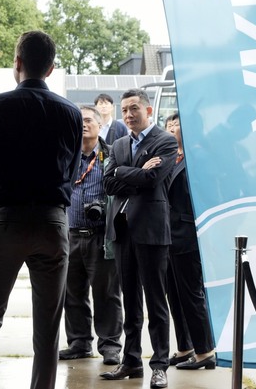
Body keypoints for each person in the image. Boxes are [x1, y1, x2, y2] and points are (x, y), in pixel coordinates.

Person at [0, 30, 83, 389]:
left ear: (17, 62)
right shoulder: (72, 112)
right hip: (53, 222)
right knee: (48, 331)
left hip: (7, 220)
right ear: (50, 68)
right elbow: (72, 171)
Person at [100, 88, 177, 388]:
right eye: (124, 110)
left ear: (148, 110)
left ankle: (160, 365)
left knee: (156, 302)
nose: (129, 115)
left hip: (151, 230)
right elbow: (107, 184)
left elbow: (153, 179)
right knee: (130, 301)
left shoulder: (165, 141)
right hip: (122, 231)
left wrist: (122, 172)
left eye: (134, 108)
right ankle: (131, 361)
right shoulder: (119, 144)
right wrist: (132, 172)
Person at [59, 105, 123, 366]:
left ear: (99, 126)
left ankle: (110, 345)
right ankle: (79, 342)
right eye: (79, 121)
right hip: (70, 235)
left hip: (101, 237)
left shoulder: (112, 155)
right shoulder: (65, 155)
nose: (83, 125)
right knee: (72, 293)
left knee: (107, 294)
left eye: (88, 120)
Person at [164, 112, 216, 370]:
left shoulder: (200, 158)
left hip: (187, 234)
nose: (171, 128)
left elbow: (210, 196)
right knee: (174, 295)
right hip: (166, 235)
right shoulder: (168, 157)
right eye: (168, 124)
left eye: (177, 124)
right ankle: (185, 347)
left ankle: (205, 351)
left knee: (191, 294)